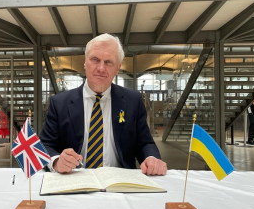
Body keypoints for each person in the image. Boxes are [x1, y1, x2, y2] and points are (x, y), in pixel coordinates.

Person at [40, 33, 167, 175]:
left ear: (117, 68)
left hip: (120, 182)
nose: (101, 68)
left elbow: (145, 143)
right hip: (74, 179)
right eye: (95, 59)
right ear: (85, 62)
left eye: (108, 62)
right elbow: (45, 145)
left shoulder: (133, 101)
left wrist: (151, 158)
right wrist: (57, 161)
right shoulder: (59, 103)